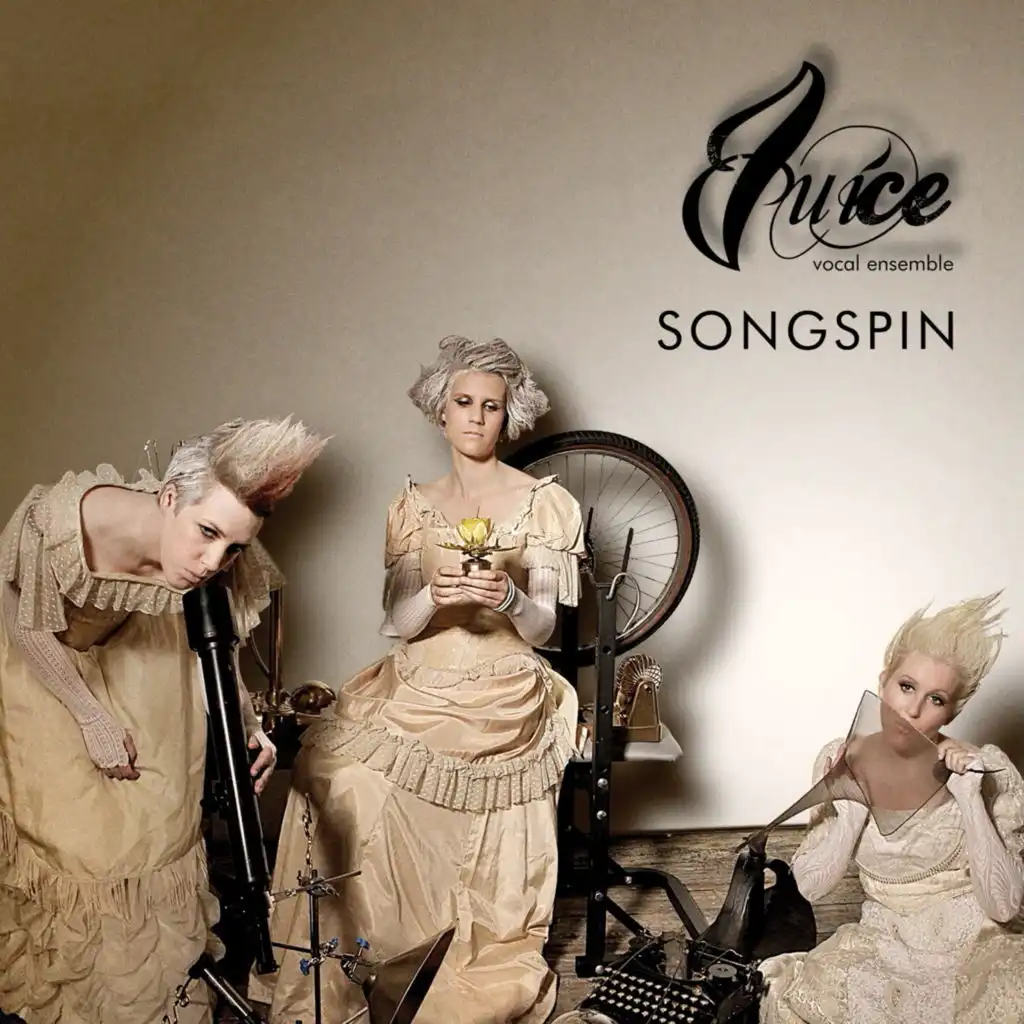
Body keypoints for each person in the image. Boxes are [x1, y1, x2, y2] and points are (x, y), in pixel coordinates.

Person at [252, 336, 584, 1023]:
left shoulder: (545, 504)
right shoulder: (412, 505)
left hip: (505, 687)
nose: (476, 417)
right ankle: (358, 956)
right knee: (333, 775)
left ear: (510, 416)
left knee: (455, 802)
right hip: (419, 677)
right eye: (464, 402)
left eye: (491, 406)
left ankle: (455, 951)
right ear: (441, 410)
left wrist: (510, 599)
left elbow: (545, 630)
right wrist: (433, 594)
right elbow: (396, 623)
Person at [0, 417, 327, 1024]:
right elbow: (22, 620)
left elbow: (215, 641)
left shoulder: (213, 554)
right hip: (46, 661)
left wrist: (246, 721)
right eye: (207, 533)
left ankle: (157, 1000)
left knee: (162, 827)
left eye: (233, 547)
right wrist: (90, 718)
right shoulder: (68, 521)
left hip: (145, 650)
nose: (212, 561)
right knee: (79, 843)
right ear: (169, 497)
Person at [760, 593, 1024, 1024]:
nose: (912, 710)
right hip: (883, 944)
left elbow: (1005, 908)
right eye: (906, 687)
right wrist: (851, 811)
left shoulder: (985, 769)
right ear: (884, 681)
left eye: (936, 699)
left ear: (952, 711)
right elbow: (806, 889)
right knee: (804, 997)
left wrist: (971, 800)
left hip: (974, 947)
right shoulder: (840, 756)